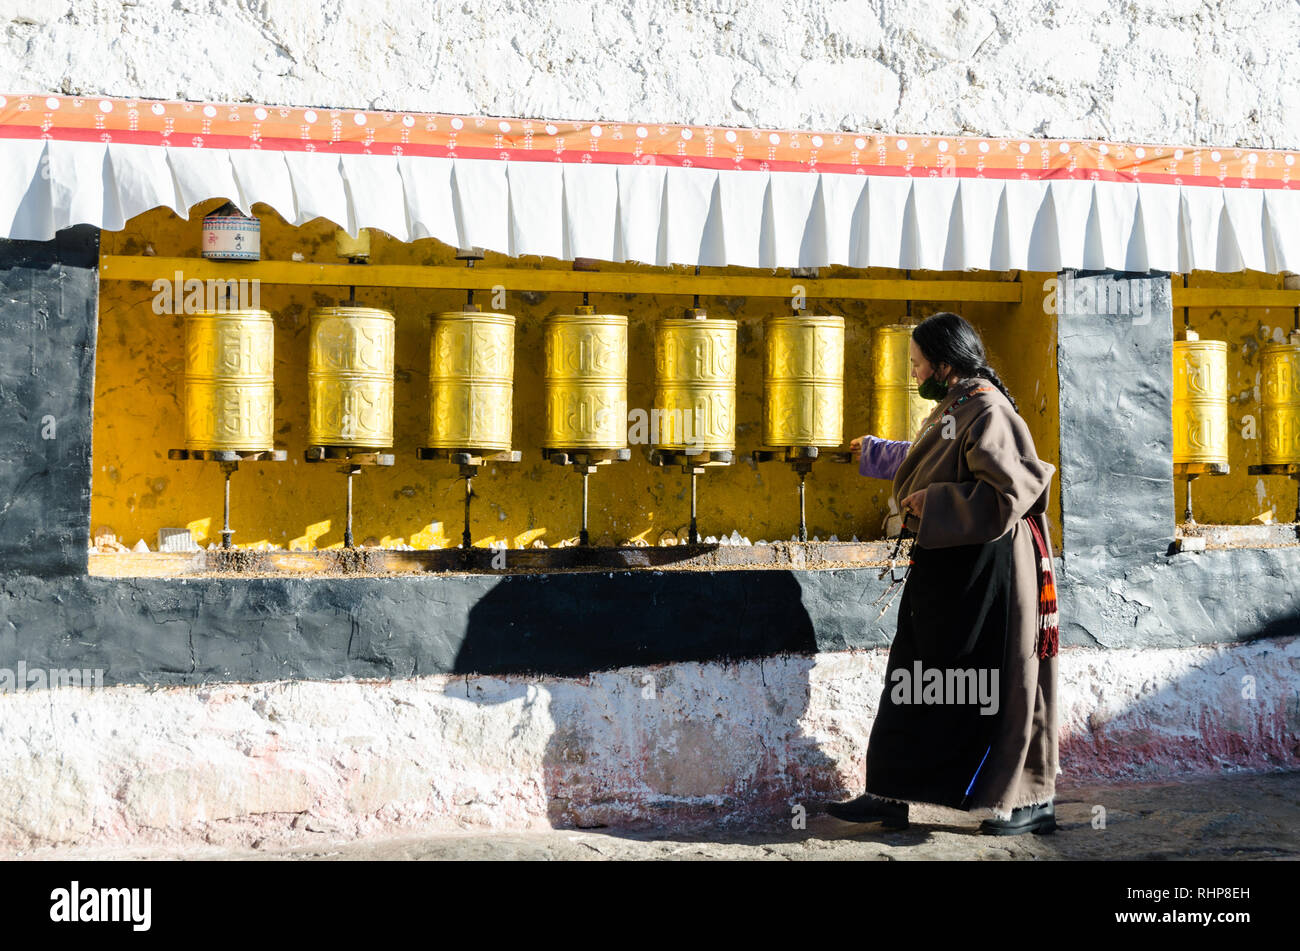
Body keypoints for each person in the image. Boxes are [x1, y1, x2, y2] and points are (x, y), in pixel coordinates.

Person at [827, 311, 1060, 835]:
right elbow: (938, 460)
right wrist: (877, 455)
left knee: (1002, 682)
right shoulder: (956, 406)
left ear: (945, 364)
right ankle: (890, 792)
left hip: (987, 572)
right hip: (945, 564)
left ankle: (1029, 800)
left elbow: (1008, 494)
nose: (913, 374)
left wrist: (930, 504)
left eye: (916, 364)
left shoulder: (989, 409)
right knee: (914, 676)